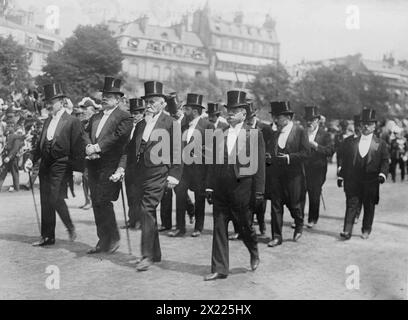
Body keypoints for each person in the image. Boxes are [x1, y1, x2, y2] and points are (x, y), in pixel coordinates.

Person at [204, 90, 264, 281]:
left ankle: (253, 250)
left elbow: (260, 166)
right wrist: (209, 186)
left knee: (245, 227)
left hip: (242, 190)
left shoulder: (254, 134)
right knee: (219, 228)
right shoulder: (218, 133)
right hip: (221, 190)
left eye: (235, 110)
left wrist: (259, 192)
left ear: (243, 114)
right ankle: (220, 268)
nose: (230, 113)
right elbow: (212, 163)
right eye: (228, 110)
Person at [126, 81, 182, 271]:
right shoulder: (141, 123)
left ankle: (147, 256)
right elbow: (131, 150)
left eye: (153, 101)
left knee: (146, 209)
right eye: (147, 101)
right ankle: (155, 253)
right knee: (148, 212)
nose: (149, 104)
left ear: (163, 104)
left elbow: (177, 150)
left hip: (159, 173)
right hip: (140, 174)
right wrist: (123, 169)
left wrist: (174, 175)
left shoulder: (170, 123)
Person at [24, 83, 85, 246]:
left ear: (62, 101)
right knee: (45, 199)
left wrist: (78, 170)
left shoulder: (72, 121)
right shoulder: (48, 120)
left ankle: (70, 226)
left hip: (62, 164)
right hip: (45, 164)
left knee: (55, 197)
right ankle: (47, 237)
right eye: (47, 101)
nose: (49, 104)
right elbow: (40, 144)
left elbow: (78, 147)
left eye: (52, 101)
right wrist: (31, 158)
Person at [84, 77, 133, 254]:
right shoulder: (96, 116)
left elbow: (118, 137)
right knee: (96, 202)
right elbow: (85, 133)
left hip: (110, 164)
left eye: (110, 96)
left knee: (104, 201)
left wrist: (98, 147)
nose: (105, 98)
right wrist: (89, 146)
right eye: (104, 95)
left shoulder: (124, 116)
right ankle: (102, 240)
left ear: (118, 99)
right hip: (93, 164)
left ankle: (113, 238)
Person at [338, 109, 389, 240]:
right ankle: (347, 230)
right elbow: (347, 161)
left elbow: (384, 161)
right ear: (360, 125)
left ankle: (366, 229)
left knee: (369, 205)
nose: (366, 126)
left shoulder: (381, 144)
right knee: (351, 204)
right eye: (364, 123)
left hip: (371, 180)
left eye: (369, 123)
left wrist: (383, 174)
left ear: (374, 126)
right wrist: (341, 175)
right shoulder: (352, 142)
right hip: (354, 179)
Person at [266, 101, 310, 248]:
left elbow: (306, 153)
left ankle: (298, 224)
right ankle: (276, 236)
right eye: (274, 117)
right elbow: (270, 151)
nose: (275, 120)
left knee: (294, 205)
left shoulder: (300, 131)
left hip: (294, 176)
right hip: (276, 176)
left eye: (277, 117)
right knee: (276, 206)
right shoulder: (275, 133)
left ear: (286, 117)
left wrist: (289, 158)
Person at [169, 93, 214, 238]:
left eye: (186, 110)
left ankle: (198, 227)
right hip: (183, 170)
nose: (184, 112)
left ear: (194, 111)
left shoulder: (208, 126)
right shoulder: (183, 125)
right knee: (180, 196)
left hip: (199, 170)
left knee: (199, 199)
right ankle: (180, 227)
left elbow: (210, 152)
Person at [159, 93, 195, 232]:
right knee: (166, 192)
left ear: (181, 109)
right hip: (169, 161)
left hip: (184, 163)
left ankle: (189, 214)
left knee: (180, 193)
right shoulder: (167, 122)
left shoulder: (188, 122)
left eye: (178, 110)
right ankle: (166, 223)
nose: (176, 113)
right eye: (173, 111)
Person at [303, 106, 334, 228]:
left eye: (312, 120)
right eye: (308, 120)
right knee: (299, 194)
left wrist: (316, 146)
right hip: (302, 168)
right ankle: (298, 219)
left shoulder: (325, 135)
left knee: (314, 194)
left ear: (318, 120)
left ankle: (312, 219)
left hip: (317, 170)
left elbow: (330, 151)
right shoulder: (302, 132)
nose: (309, 122)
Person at [245, 100, 273, 236]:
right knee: (245, 201)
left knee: (259, 200)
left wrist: (267, 155)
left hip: (262, 168)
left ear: (255, 116)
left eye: (250, 118)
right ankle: (246, 227)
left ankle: (261, 224)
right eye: (246, 118)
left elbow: (271, 145)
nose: (248, 120)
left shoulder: (265, 129)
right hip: (245, 169)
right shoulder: (241, 129)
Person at [121, 97, 145, 230]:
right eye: (133, 113)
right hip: (129, 166)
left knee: (139, 195)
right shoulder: (129, 127)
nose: (134, 116)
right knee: (130, 194)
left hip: (140, 166)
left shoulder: (145, 126)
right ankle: (132, 220)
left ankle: (140, 220)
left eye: (137, 113)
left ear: (142, 113)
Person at [0, 125, 25, 192]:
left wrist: (9, 157)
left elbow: (15, 149)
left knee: (14, 173)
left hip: (12, 158)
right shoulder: (9, 137)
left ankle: (17, 188)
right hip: (7, 157)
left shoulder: (15, 138)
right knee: (3, 173)